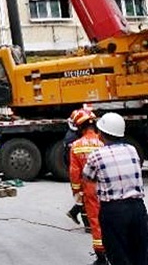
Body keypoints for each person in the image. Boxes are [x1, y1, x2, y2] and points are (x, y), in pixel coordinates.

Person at [83, 112, 148, 265]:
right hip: (137, 208)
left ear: (101, 134)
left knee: (118, 254)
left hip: (113, 211)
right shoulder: (132, 149)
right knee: (141, 254)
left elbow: (87, 177)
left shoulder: (96, 155)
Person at [69, 109, 106, 265]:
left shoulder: (76, 146)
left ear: (80, 127)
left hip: (90, 190)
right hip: (108, 188)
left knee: (96, 223)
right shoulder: (104, 142)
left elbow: (74, 172)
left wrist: (77, 192)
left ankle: (101, 257)